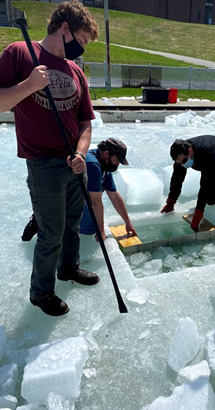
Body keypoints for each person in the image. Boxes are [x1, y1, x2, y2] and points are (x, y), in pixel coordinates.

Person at [0, 1, 99, 317]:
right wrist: (29, 85)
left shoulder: (75, 72)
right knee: (50, 232)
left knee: (71, 225)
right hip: (44, 165)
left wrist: (82, 153)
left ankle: (68, 269)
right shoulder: (19, 52)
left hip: (74, 163)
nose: (80, 50)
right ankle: (41, 294)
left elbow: (85, 123)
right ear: (65, 28)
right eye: (81, 41)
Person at [22, 138, 138, 242]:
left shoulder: (105, 166)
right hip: (60, 201)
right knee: (89, 227)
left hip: (74, 197)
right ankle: (41, 220)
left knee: (92, 224)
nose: (118, 164)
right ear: (107, 154)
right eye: (117, 160)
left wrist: (128, 222)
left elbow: (115, 196)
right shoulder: (92, 165)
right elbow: (96, 202)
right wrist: (101, 231)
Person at [161, 135, 215, 231]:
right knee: (211, 199)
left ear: (190, 151)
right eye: (180, 163)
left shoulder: (207, 151)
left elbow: (205, 184)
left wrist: (198, 212)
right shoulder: (181, 156)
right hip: (212, 166)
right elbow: (177, 179)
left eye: (184, 161)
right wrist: (171, 200)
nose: (183, 164)